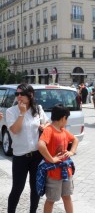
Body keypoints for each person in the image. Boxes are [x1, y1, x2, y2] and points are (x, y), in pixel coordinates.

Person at [6, 83, 49, 213]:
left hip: (36, 155)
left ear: (30, 95)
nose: (19, 96)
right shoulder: (11, 111)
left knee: (35, 187)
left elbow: (47, 123)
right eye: (16, 94)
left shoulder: (38, 109)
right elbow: (14, 130)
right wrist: (22, 113)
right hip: (20, 156)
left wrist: (44, 127)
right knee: (17, 188)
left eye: (21, 94)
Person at [38, 104, 79, 213]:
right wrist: (51, 159)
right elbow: (41, 145)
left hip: (66, 171)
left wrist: (71, 152)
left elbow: (75, 140)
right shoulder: (49, 130)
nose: (67, 121)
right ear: (63, 118)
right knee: (51, 199)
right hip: (53, 173)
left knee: (67, 196)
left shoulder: (63, 131)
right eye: (67, 118)